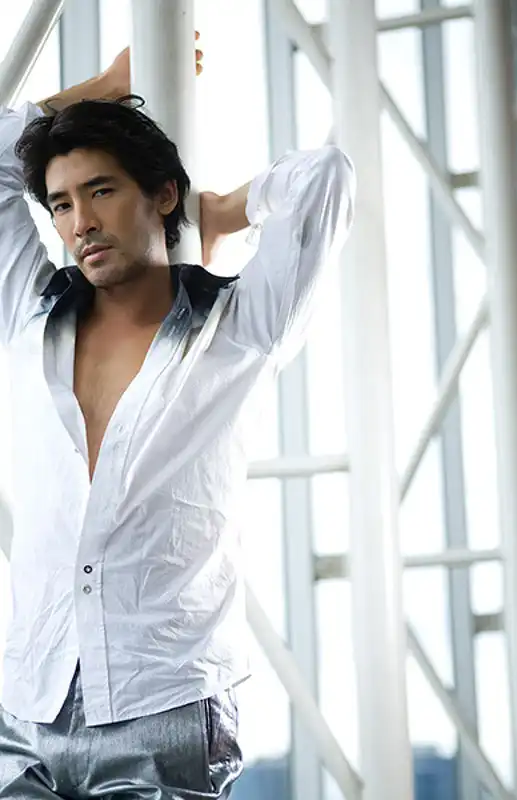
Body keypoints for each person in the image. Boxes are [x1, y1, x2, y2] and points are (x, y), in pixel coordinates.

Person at [0, 35, 355, 800]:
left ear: (162, 196)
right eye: (61, 203)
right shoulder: (24, 313)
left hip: (164, 705)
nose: (79, 222)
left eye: (101, 191)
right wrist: (102, 87)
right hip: (26, 706)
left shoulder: (240, 328)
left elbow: (324, 178)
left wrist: (223, 209)